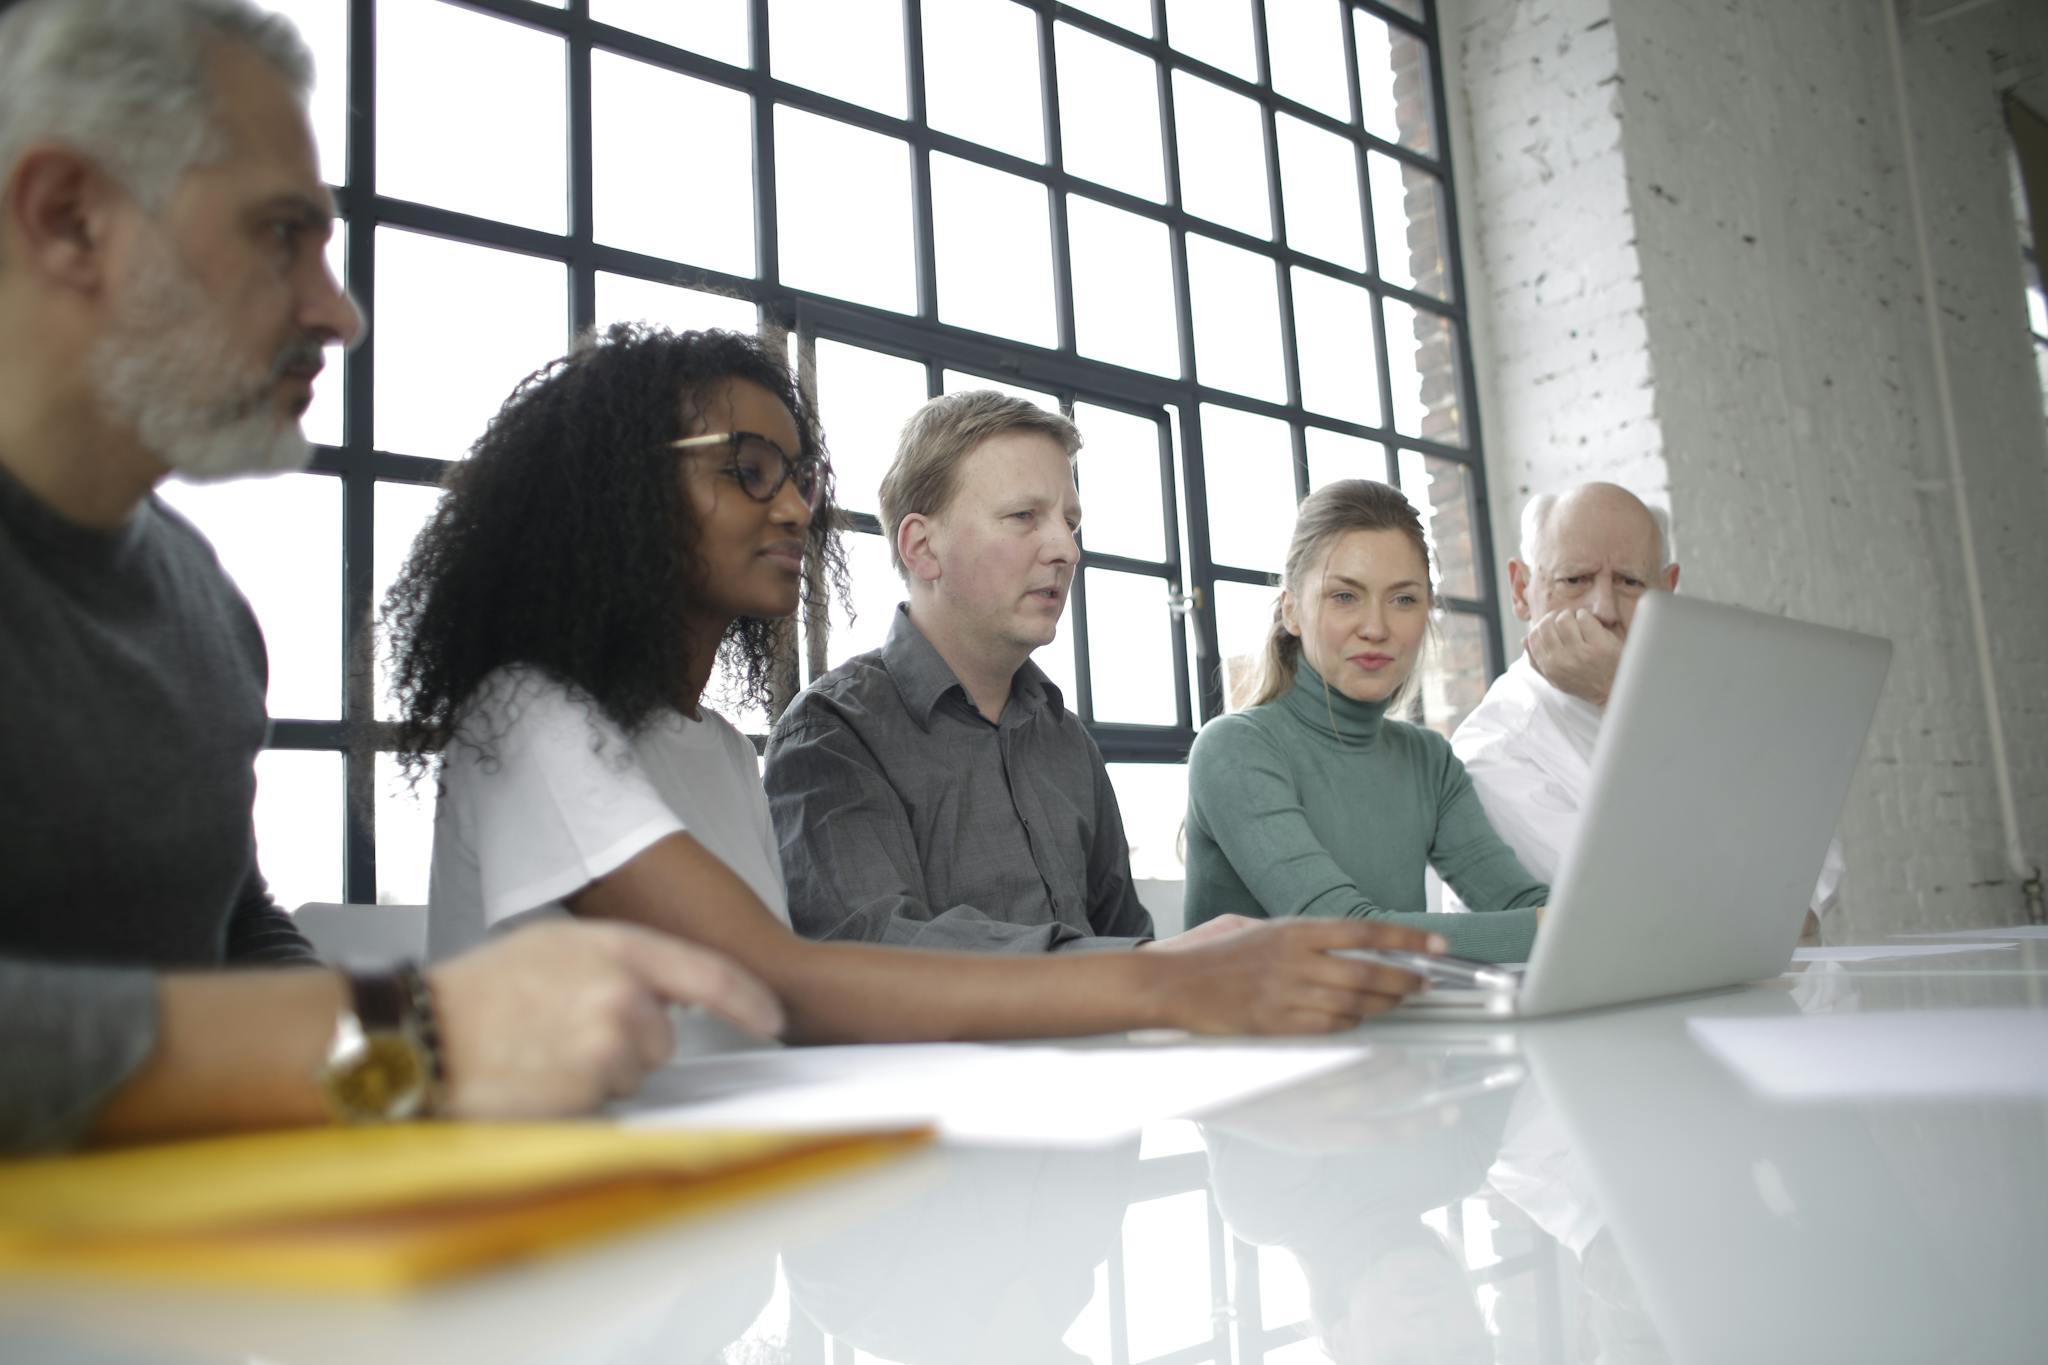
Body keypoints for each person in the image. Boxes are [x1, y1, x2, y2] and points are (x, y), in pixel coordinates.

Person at [0, 0, 781, 1154]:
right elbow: (342, 1037)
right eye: (281, 233)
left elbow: (234, 934)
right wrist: (410, 1037)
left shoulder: (200, 605)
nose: (339, 313)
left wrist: (389, 1071)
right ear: (71, 219)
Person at [388, 326, 1446, 1042]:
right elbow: (795, 982)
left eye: (799, 477)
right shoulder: (527, 715)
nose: (796, 508)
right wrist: (1172, 979)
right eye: (748, 470)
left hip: (719, 1236)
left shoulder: (714, 752)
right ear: (622, 490)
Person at [764, 390, 1234, 953]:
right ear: (922, 548)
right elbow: (881, 952)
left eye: (1070, 522)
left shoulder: (1068, 742)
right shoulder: (833, 733)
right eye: (1023, 517)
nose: (1067, 549)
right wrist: (1145, 966)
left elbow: (1127, 939)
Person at [1183, 480, 1548, 963]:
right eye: (1344, 596)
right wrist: (1566, 929)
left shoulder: (1429, 760)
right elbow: (1343, 933)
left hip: (1397, 1011)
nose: (1376, 627)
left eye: (1403, 600)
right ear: (1291, 610)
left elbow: (1519, 901)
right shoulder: (1234, 749)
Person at [1448, 482, 1842, 926]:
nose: (1604, 609)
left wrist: (1622, 693)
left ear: (1667, 591)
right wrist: (1618, 693)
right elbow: (1661, 913)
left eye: (1630, 582)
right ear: (1521, 589)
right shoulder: (1489, 750)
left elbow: (1809, 884)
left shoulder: (1724, 706)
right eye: (1574, 580)